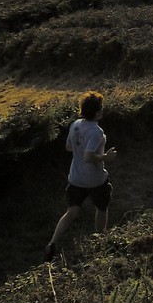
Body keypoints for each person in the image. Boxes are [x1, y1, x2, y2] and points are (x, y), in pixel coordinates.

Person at [44, 91, 116, 261]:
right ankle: (101, 239)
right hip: (94, 179)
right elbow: (89, 157)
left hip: (76, 178)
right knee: (102, 208)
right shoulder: (97, 132)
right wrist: (106, 157)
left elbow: (69, 147)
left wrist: (80, 146)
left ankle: (52, 243)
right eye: (101, 108)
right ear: (97, 112)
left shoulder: (75, 125)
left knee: (71, 212)